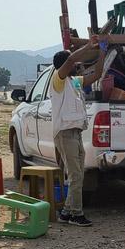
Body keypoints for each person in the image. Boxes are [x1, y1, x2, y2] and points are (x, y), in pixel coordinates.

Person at [50, 36, 105, 226]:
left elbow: (97, 75)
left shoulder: (73, 81)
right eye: (71, 61)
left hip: (75, 133)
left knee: (78, 175)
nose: (76, 63)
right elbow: (72, 60)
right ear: (64, 64)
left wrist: (103, 52)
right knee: (75, 176)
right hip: (65, 133)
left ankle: (66, 212)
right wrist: (89, 46)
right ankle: (76, 214)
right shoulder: (58, 79)